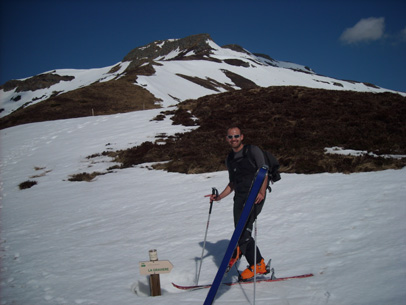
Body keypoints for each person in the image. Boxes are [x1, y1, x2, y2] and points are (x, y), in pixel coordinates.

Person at [205, 126, 268, 281]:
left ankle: (257, 264)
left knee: (243, 232)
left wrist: (262, 191)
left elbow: (264, 170)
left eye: (236, 136)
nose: (234, 139)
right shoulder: (230, 158)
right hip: (239, 198)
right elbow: (232, 183)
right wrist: (219, 197)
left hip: (254, 196)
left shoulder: (252, 151)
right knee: (239, 232)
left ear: (242, 137)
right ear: (227, 139)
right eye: (230, 137)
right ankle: (254, 261)